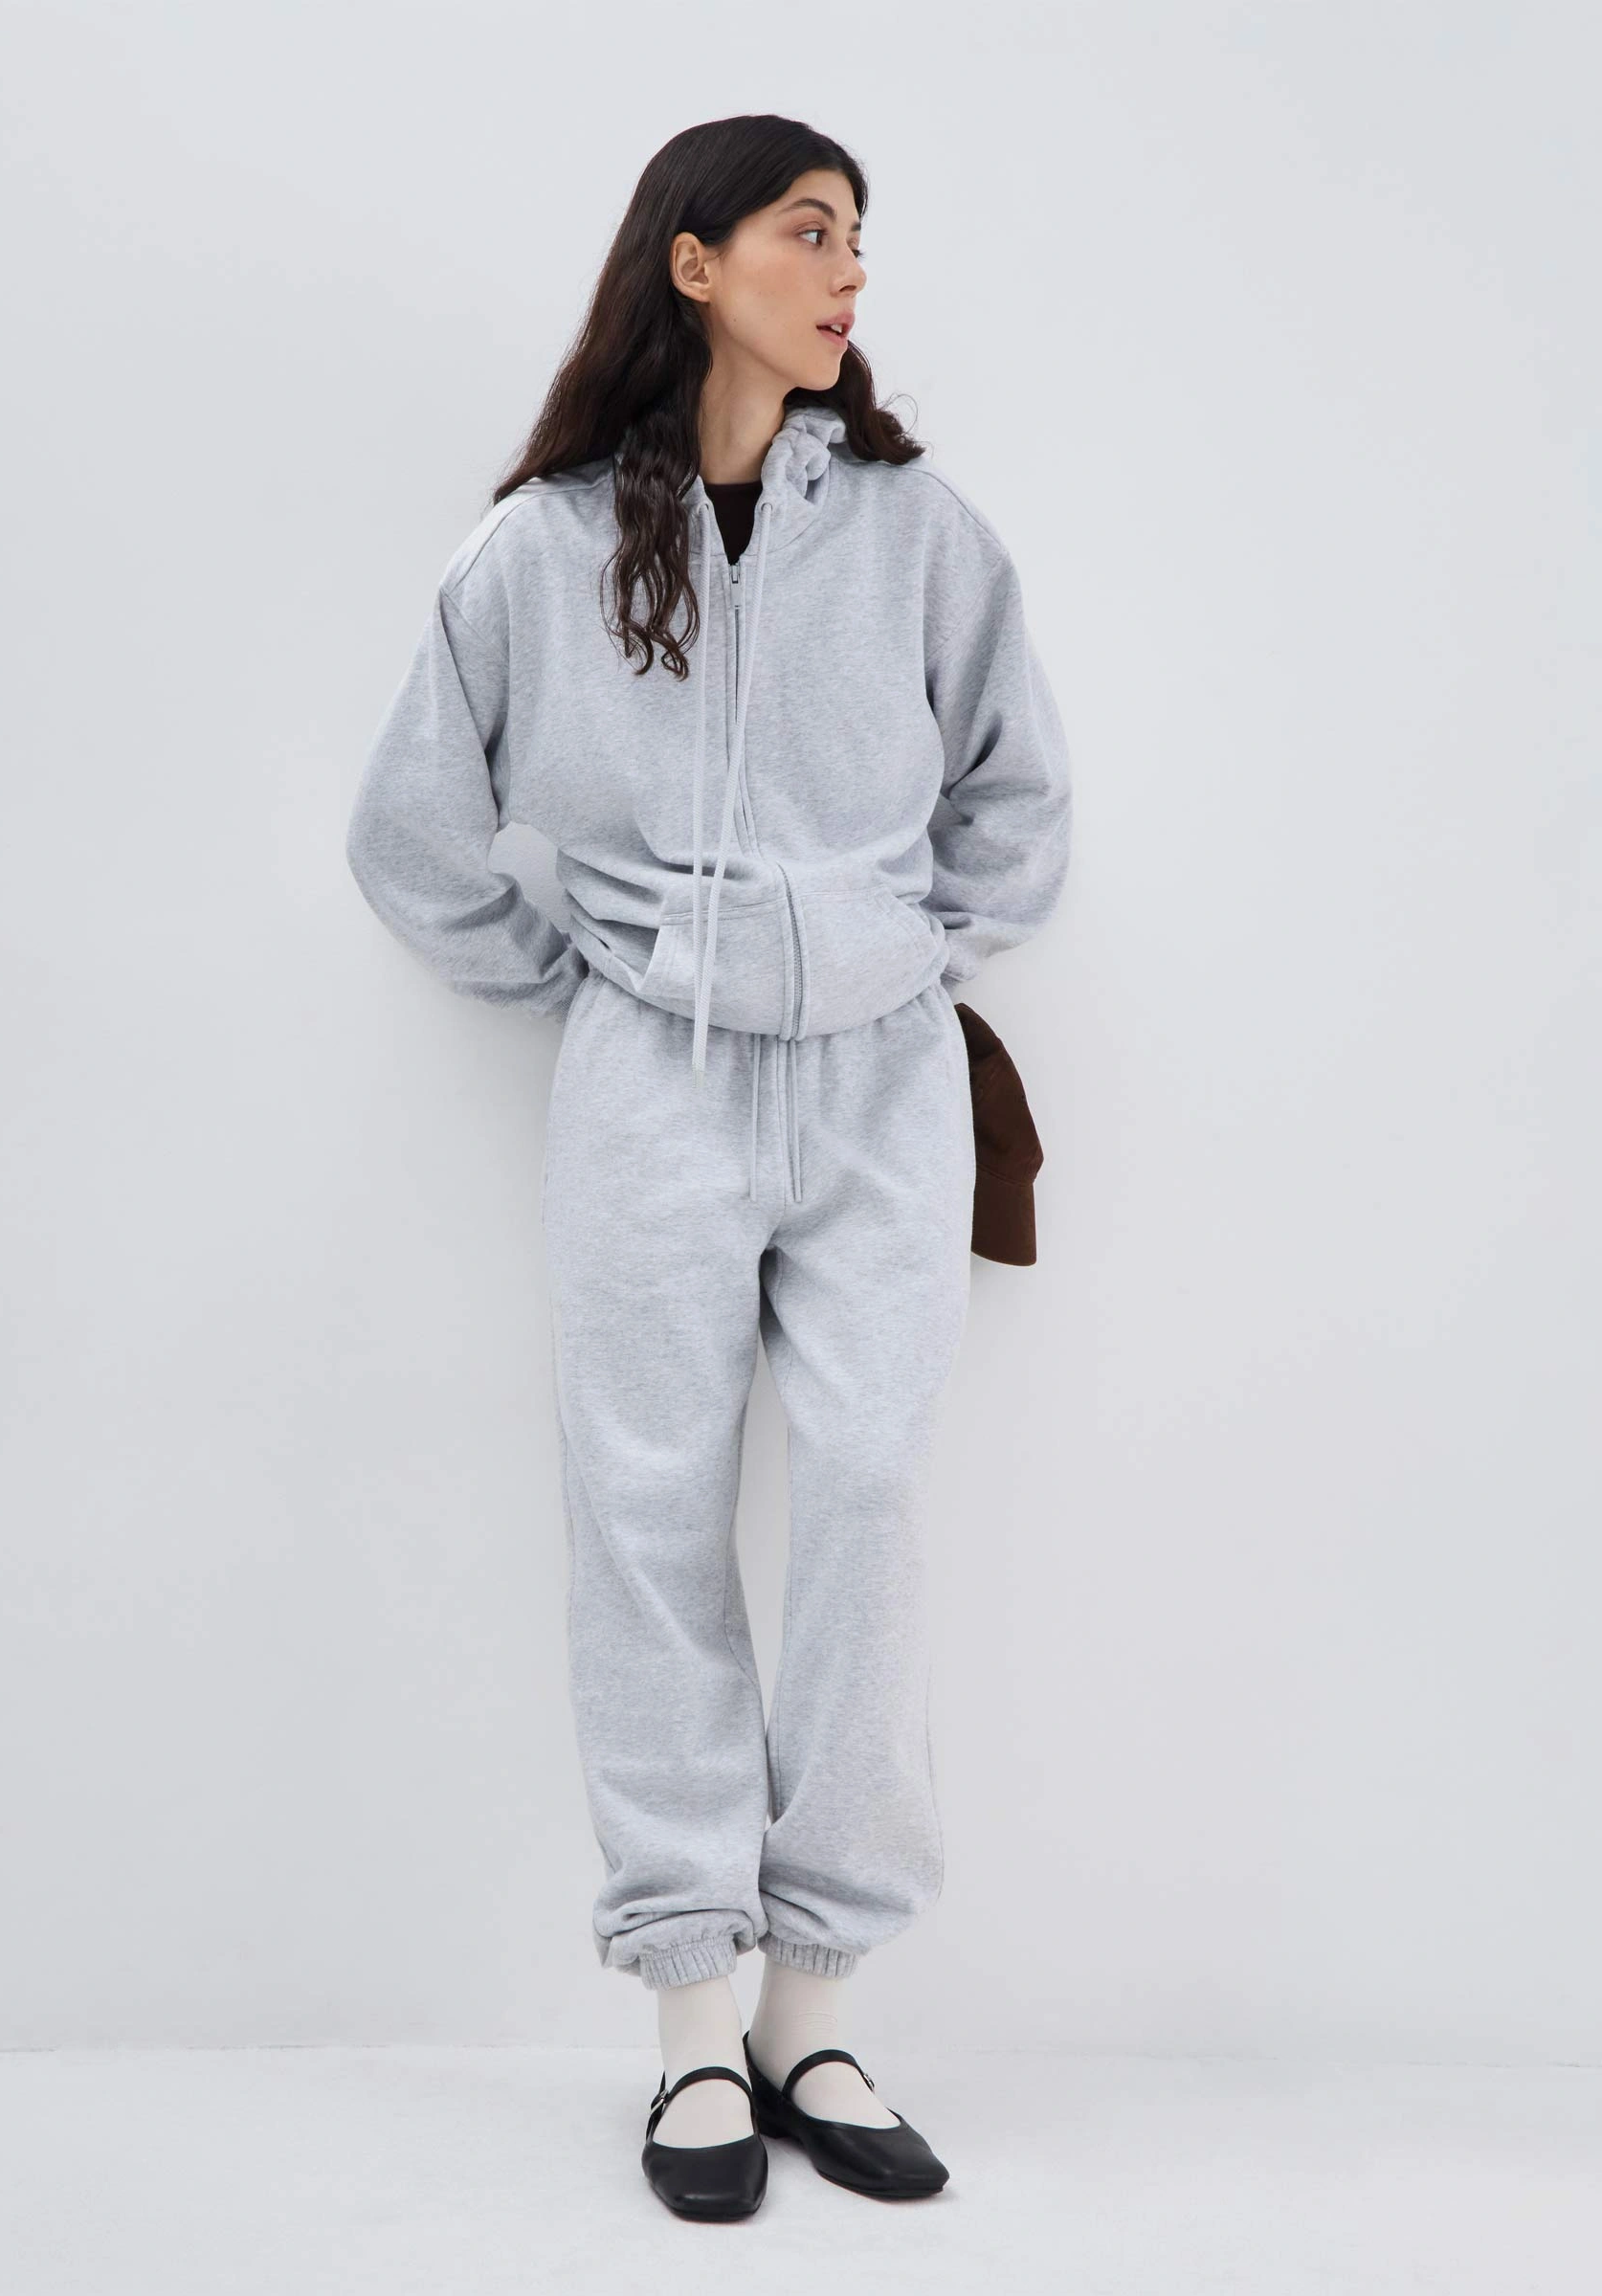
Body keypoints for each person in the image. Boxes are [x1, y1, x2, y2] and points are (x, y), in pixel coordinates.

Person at [345, 113, 1073, 2219]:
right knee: (647, 1514)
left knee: (866, 1499)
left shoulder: (919, 532)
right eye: (807, 232)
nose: (849, 273)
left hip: (877, 1087)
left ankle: (813, 2002)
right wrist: (598, 977)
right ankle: (690, 2017)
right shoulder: (545, 549)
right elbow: (411, 834)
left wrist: (902, 960)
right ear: (694, 261)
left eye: (859, 238)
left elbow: (1020, 800)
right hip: (649, 1094)